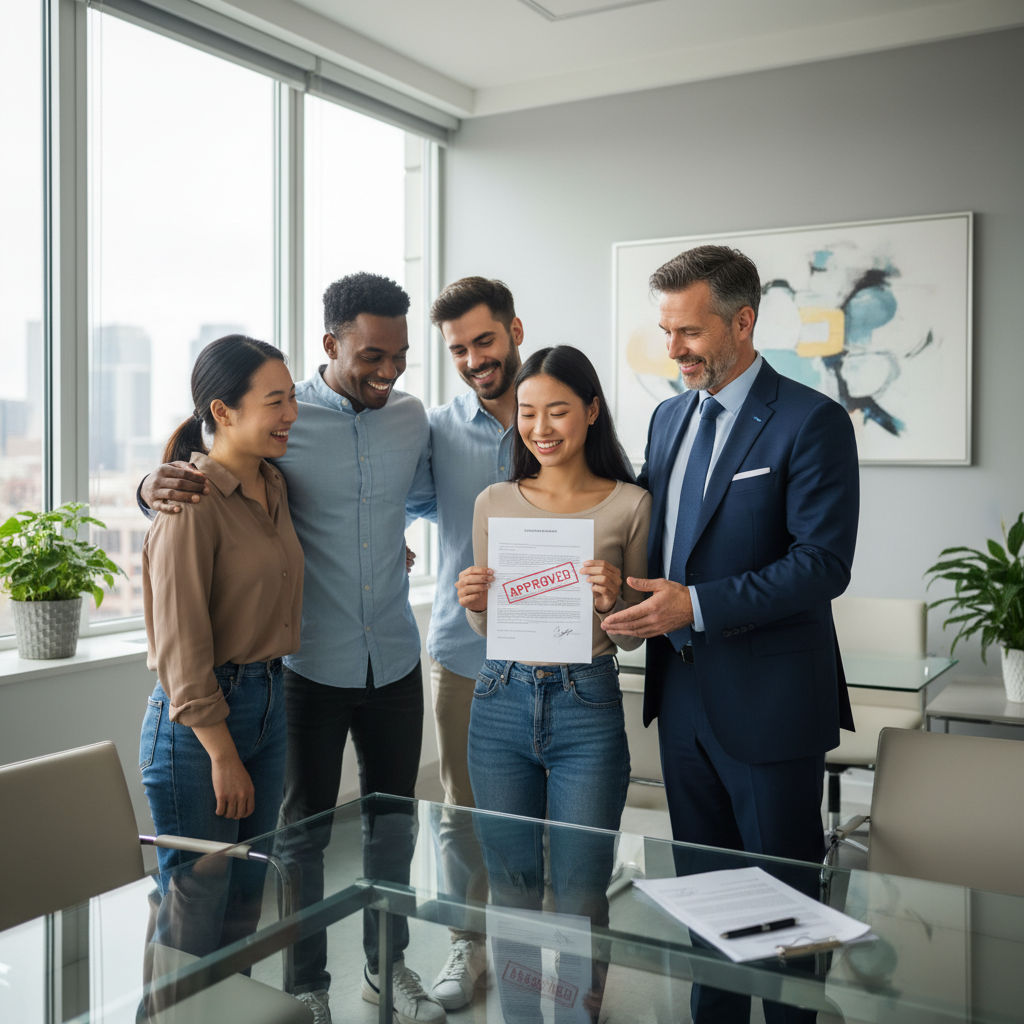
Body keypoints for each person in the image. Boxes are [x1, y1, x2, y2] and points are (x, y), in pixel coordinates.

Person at [139, 274, 444, 1024]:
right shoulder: (277, 428)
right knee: (273, 854)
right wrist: (153, 485)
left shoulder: (403, 422)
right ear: (331, 344)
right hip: (302, 671)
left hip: (385, 660)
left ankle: (383, 967)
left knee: (381, 830)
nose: (390, 369)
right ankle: (305, 982)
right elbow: (196, 482)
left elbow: (439, 498)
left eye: (401, 354)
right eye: (373, 353)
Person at [601, 245, 859, 1024]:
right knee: (707, 896)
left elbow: (822, 564)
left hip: (773, 704)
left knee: (783, 908)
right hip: (679, 700)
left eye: (688, 332)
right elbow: (650, 536)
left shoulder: (811, 421)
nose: (671, 349)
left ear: (742, 322)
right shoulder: (668, 415)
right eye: (665, 330)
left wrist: (698, 605)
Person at [456, 345, 651, 1023]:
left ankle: (574, 1018)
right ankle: (520, 1017)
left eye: (558, 410)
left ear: (591, 412)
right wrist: (473, 598)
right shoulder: (493, 501)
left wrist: (614, 599)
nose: (540, 427)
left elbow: (631, 636)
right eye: (527, 412)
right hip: (500, 701)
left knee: (579, 892)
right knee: (510, 887)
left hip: (587, 705)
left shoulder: (630, 505)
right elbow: (490, 632)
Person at [139, 335, 303, 962]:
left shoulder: (274, 485)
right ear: (224, 411)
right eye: (274, 401)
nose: (290, 414)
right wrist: (222, 752)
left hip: (269, 701)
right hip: (200, 724)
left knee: (244, 899)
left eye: (291, 398)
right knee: (193, 909)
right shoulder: (190, 501)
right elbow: (181, 644)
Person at [404, 277, 523, 1009]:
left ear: (514, 329)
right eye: (458, 349)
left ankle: (551, 950)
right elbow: (383, 502)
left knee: (550, 814)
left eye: (484, 340)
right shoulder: (438, 430)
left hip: (561, 658)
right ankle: (466, 946)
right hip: (463, 651)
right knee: (463, 811)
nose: (475, 358)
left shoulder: (563, 415)